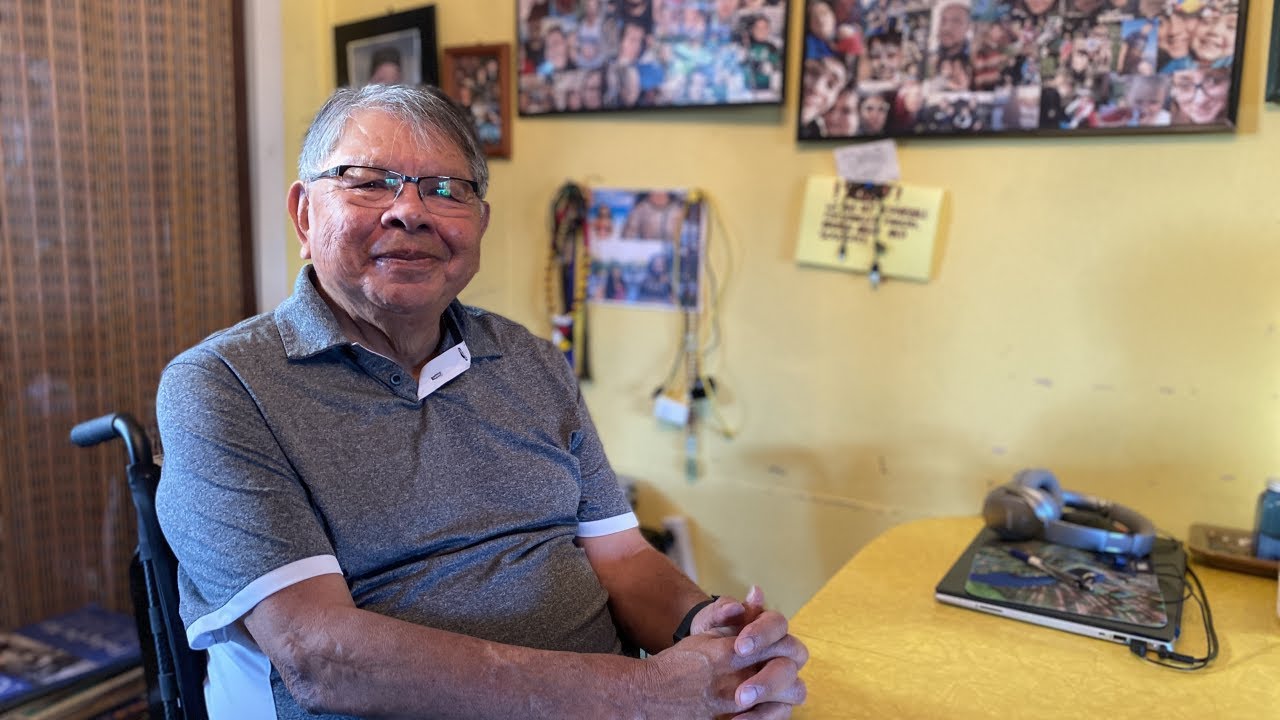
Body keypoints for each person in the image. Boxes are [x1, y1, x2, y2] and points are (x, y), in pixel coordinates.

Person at [155, 84, 808, 719]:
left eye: (445, 189)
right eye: (368, 180)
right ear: (304, 214)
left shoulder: (531, 361)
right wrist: (643, 694)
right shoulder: (220, 387)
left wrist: (704, 627)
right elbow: (321, 657)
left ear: (480, 224)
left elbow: (626, 561)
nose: (410, 211)